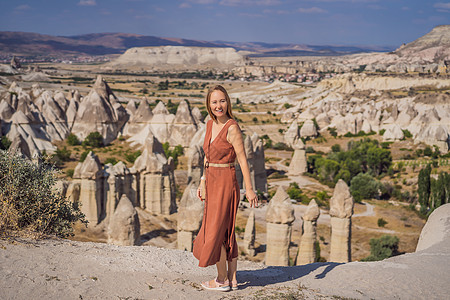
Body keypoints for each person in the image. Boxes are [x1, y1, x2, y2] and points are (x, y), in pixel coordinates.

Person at [192, 85, 258, 292]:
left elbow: (243, 161)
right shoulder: (210, 125)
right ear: (209, 105)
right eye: (214, 102)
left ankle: (221, 280)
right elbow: (207, 156)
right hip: (211, 180)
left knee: (217, 231)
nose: (218, 105)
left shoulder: (232, 127)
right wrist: (202, 181)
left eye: (222, 101)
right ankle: (233, 278)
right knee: (225, 231)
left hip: (226, 182)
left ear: (228, 102)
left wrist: (250, 189)